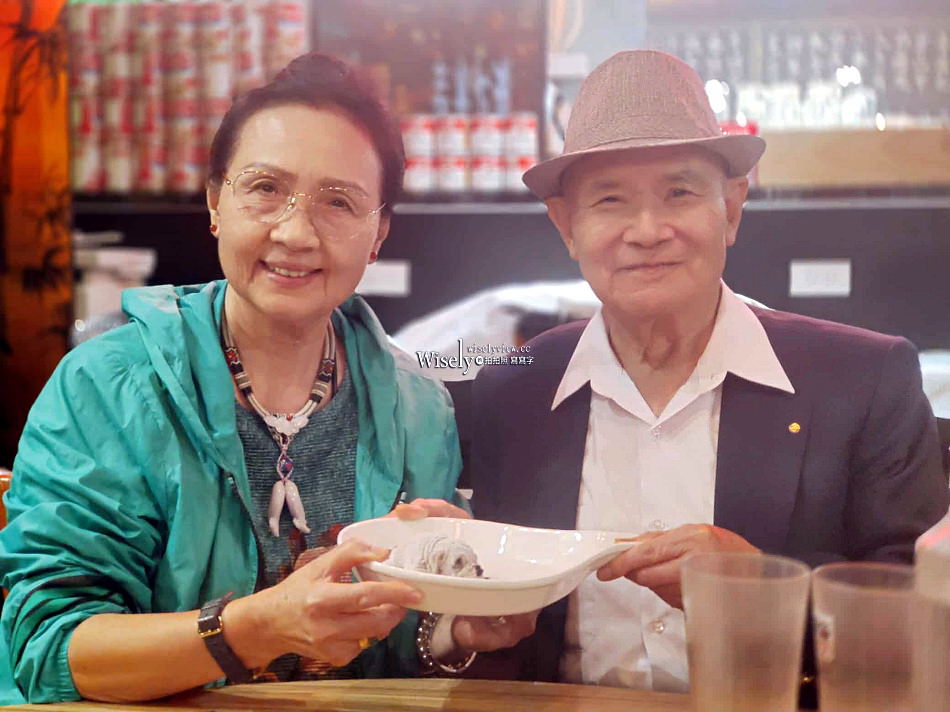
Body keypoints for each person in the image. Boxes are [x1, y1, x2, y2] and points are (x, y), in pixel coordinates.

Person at [422, 50, 950, 692]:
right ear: (567, 226)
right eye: (610, 200)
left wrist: (757, 584)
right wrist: (460, 624)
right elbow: (500, 633)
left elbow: (924, 613)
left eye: (680, 192)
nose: (647, 230)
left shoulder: (863, 379)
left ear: (730, 209)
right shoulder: (516, 391)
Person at [0, 53, 463, 704]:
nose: (296, 232)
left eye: (338, 201)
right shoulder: (106, 388)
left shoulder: (418, 410)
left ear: (378, 232)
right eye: (266, 189)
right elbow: (47, 650)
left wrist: (460, 630)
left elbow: (394, 650)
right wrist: (256, 627)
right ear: (217, 202)